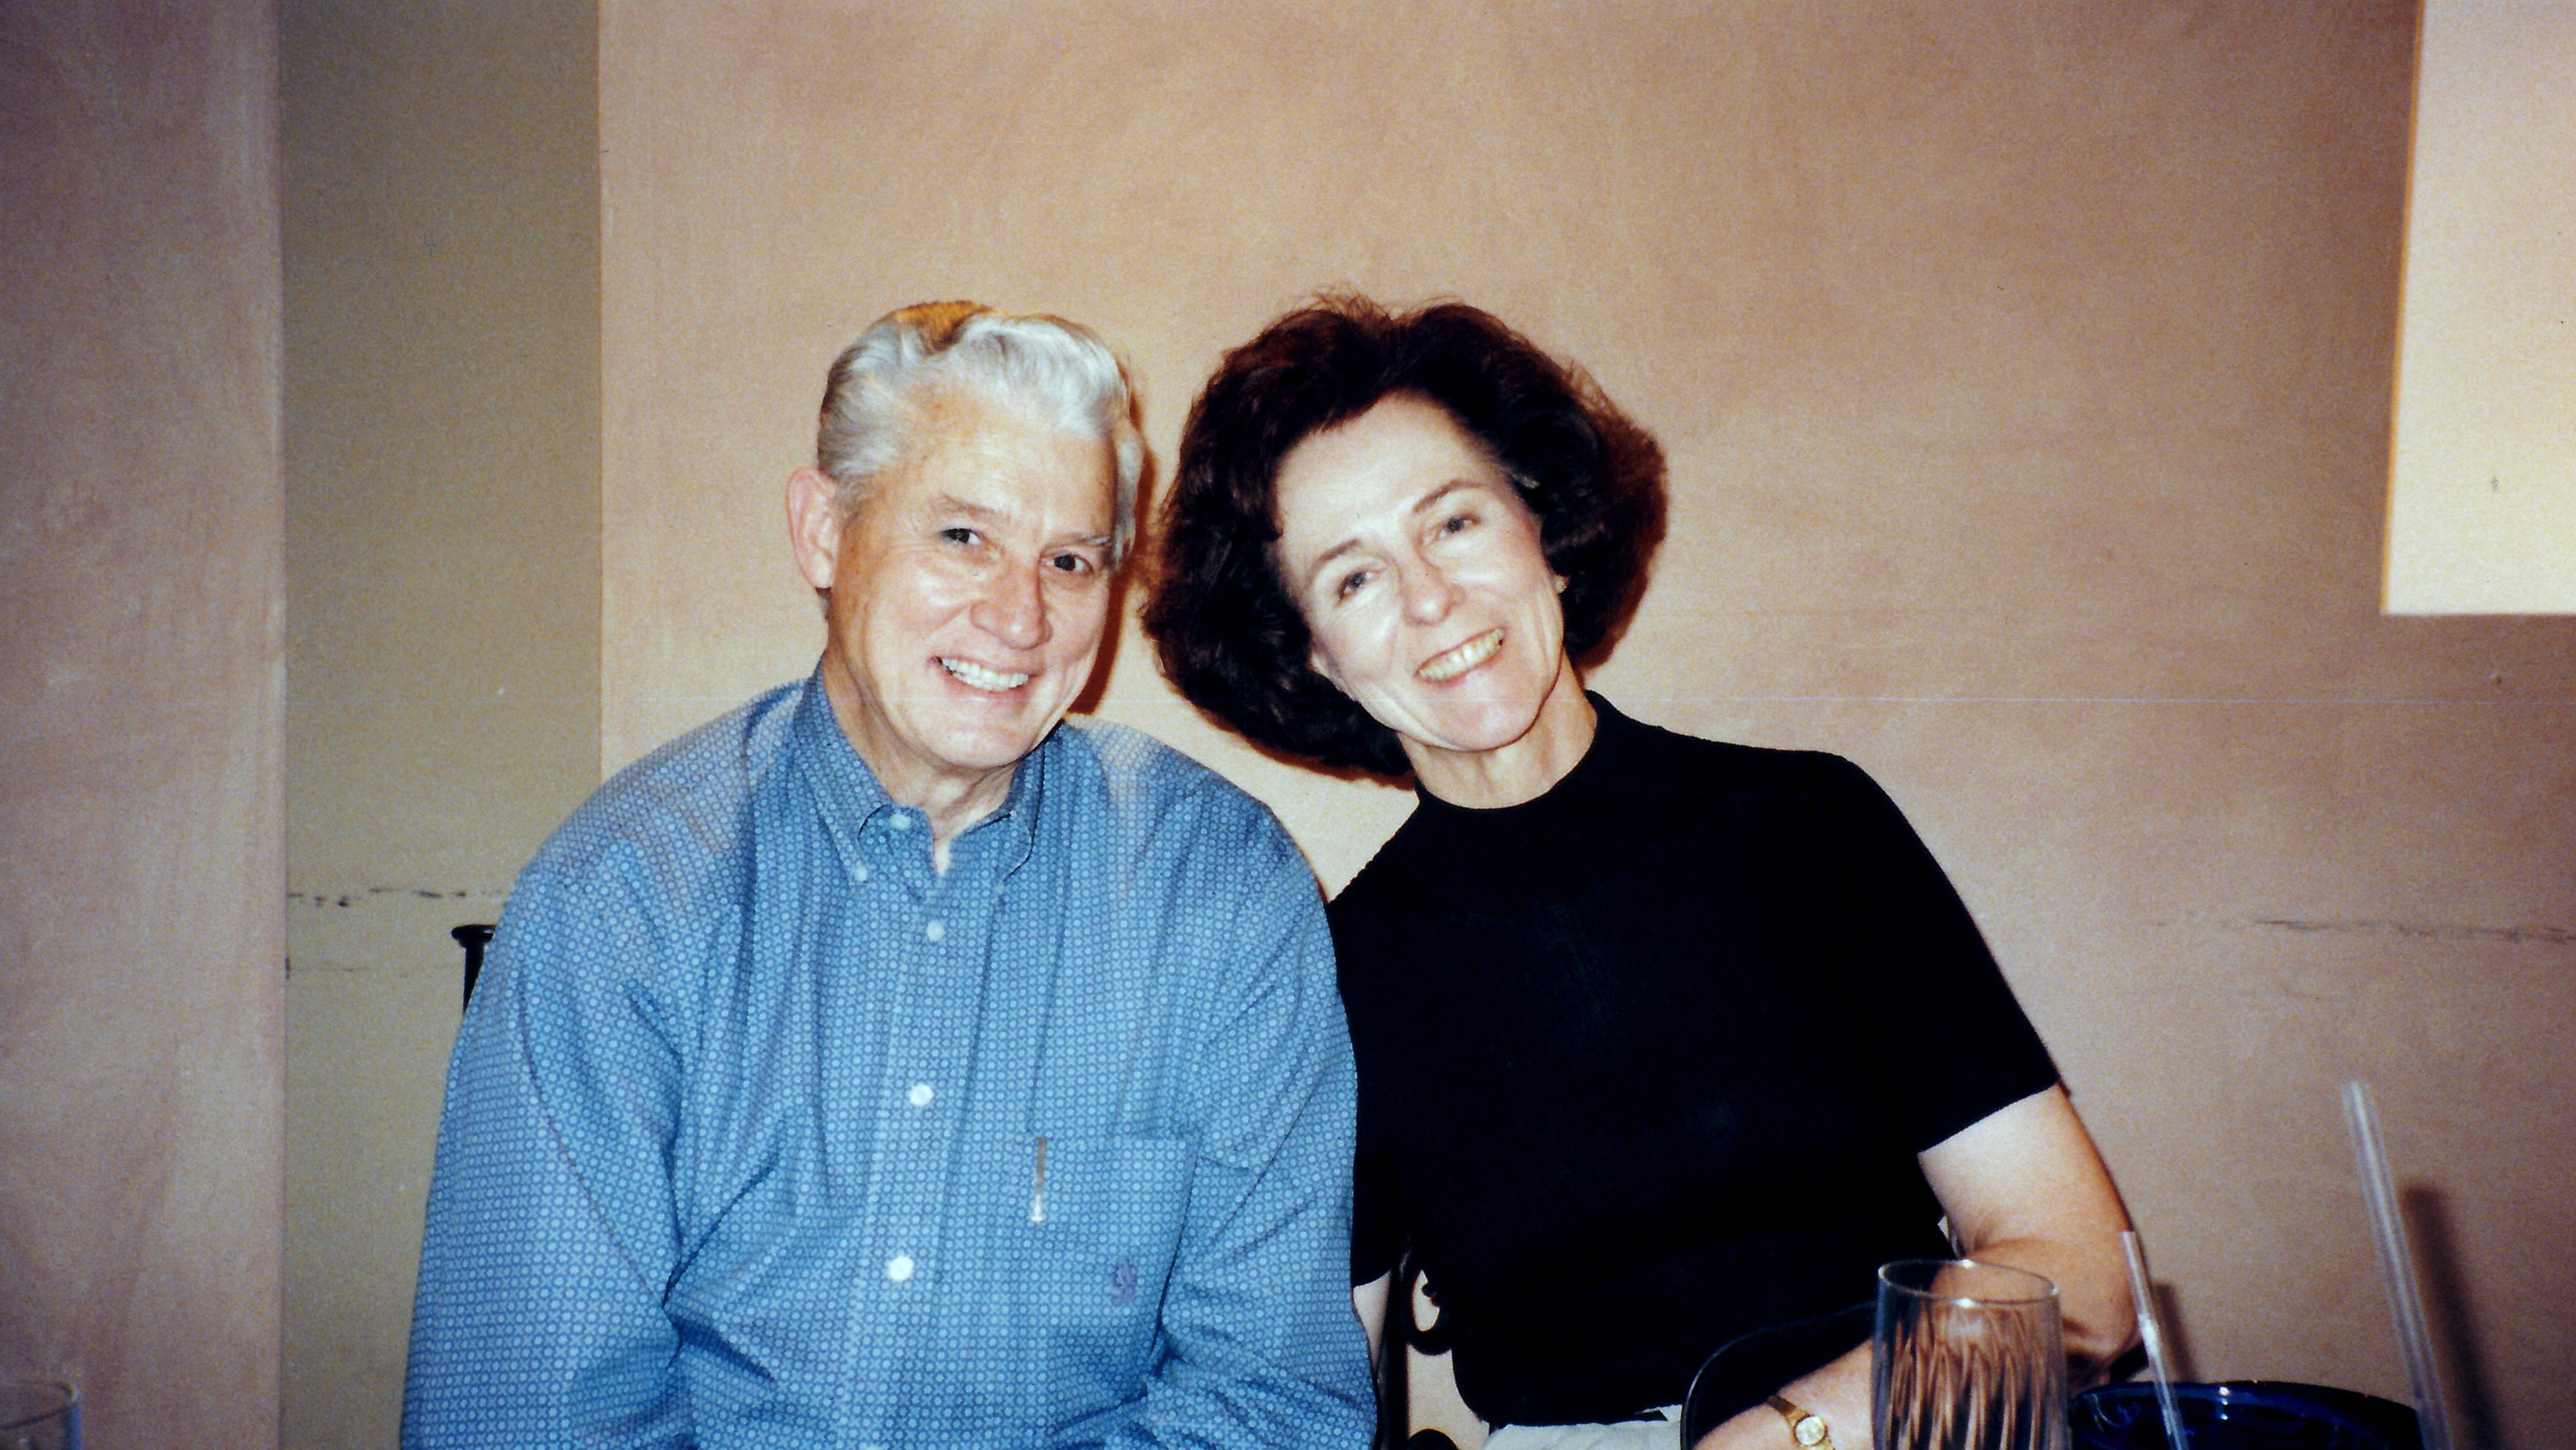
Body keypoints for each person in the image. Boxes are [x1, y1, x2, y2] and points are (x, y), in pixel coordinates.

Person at [1142, 296, 2135, 1450]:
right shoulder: (1334, 975)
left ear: (1543, 528)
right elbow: (1313, 1393)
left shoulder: (1811, 829)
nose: (1429, 597)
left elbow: (2080, 1281)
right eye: (1353, 578)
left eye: (1453, 522)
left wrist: (1789, 1435)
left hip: (1893, 1426)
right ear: (1313, 653)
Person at [402, 302, 1374, 1449]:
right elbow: (528, 1413)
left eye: (1070, 560)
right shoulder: (622, 898)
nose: (1018, 616)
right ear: (823, 531)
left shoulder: (1223, 892)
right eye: (962, 536)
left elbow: (1274, 1399)